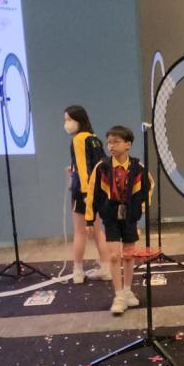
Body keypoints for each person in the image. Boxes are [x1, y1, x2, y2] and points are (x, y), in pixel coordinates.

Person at [85, 126, 153, 315]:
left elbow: (149, 187)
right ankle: (119, 295)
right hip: (110, 216)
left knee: (129, 255)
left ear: (128, 145)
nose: (111, 146)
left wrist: (141, 208)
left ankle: (128, 290)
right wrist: (89, 219)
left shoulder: (138, 167)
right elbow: (91, 193)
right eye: (109, 142)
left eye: (116, 142)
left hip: (129, 216)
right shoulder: (102, 167)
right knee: (114, 256)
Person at [64, 105, 111, 284]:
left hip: (83, 192)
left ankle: (77, 271)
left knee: (80, 232)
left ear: (79, 120)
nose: (66, 124)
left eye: (69, 119)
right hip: (97, 190)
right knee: (98, 231)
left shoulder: (79, 139)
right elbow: (100, 166)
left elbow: (84, 169)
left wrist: (85, 194)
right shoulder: (95, 139)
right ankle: (106, 268)